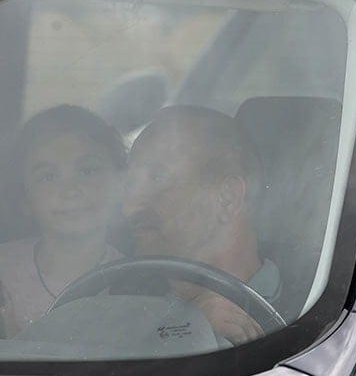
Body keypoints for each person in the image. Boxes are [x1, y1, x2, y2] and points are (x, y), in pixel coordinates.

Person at [122, 104, 278, 344]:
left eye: (157, 177)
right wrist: (182, 328)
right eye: (131, 184)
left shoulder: (313, 315)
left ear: (227, 198)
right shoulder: (120, 302)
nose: (130, 207)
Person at [0, 105, 126, 337]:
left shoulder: (138, 280)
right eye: (48, 177)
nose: (70, 190)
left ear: (120, 182)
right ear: (25, 198)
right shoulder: (4, 271)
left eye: (87, 171)